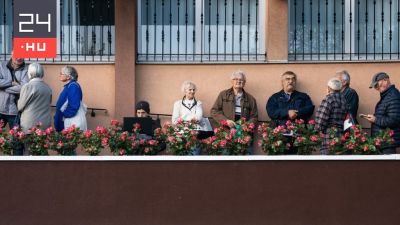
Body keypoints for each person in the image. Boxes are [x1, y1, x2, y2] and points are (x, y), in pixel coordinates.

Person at [362, 72, 400, 154]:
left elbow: (394, 120)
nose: (376, 88)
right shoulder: (387, 96)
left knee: (388, 166)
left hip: (388, 143)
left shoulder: (393, 97)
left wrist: (375, 119)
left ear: (385, 80)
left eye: (377, 85)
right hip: (384, 142)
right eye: (375, 86)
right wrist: (373, 119)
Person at [315, 78, 348, 155]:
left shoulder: (329, 99)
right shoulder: (344, 100)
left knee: (327, 162)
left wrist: (317, 131)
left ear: (329, 88)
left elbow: (321, 119)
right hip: (341, 134)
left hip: (328, 135)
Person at [17, 63, 52, 132]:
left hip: (30, 123)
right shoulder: (47, 87)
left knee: (28, 142)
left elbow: (20, 107)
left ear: (30, 72)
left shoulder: (28, 86)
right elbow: (49, 103)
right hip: (45, 123)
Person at [0, 51, 29, 129]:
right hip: (0, 108)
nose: (19, 58)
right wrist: (12, 83)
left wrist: (4, 88)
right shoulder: (2, 66)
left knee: (16, 138)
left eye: (22, 56)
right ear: (11, 55)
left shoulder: (26, 70)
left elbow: (24, 88)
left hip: (15, 111)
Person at [54, 66, 87, 132]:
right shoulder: (69, 86)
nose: (60, 75)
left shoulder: (73, 86)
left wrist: (64, 115)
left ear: (68, 77)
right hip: (68, 122)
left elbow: (74, 106)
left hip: (71, 123)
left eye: (61, 73)